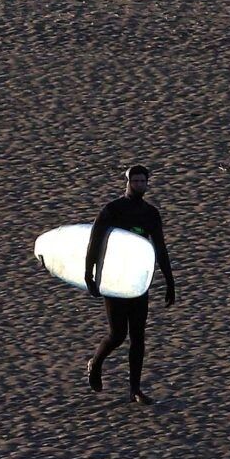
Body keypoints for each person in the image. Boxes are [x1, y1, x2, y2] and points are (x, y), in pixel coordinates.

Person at [83, 163, 177, 403]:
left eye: (142, 182)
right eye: (135, 181)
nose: (139, 185)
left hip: (137, 280)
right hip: (114, 278)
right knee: (117, 334)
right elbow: (94, 241)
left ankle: (135, 390)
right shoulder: (112, 210)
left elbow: (160, 247)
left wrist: (169, 280)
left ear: (147, 183)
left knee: (138, 336)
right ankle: (96, 363)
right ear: (127, 182)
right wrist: (89, 273)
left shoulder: (151, 213)